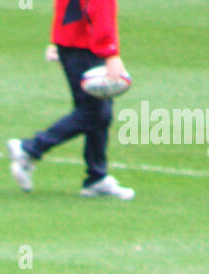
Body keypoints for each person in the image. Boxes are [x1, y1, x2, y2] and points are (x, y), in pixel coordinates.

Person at [7, 0, 134, 200]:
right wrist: (110, 53)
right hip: (85, 46)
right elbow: (99, 7)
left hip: (71, 42)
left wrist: (56, 39)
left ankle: (96, 177)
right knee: (94, 113)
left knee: (99, 111)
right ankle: (29, 149)